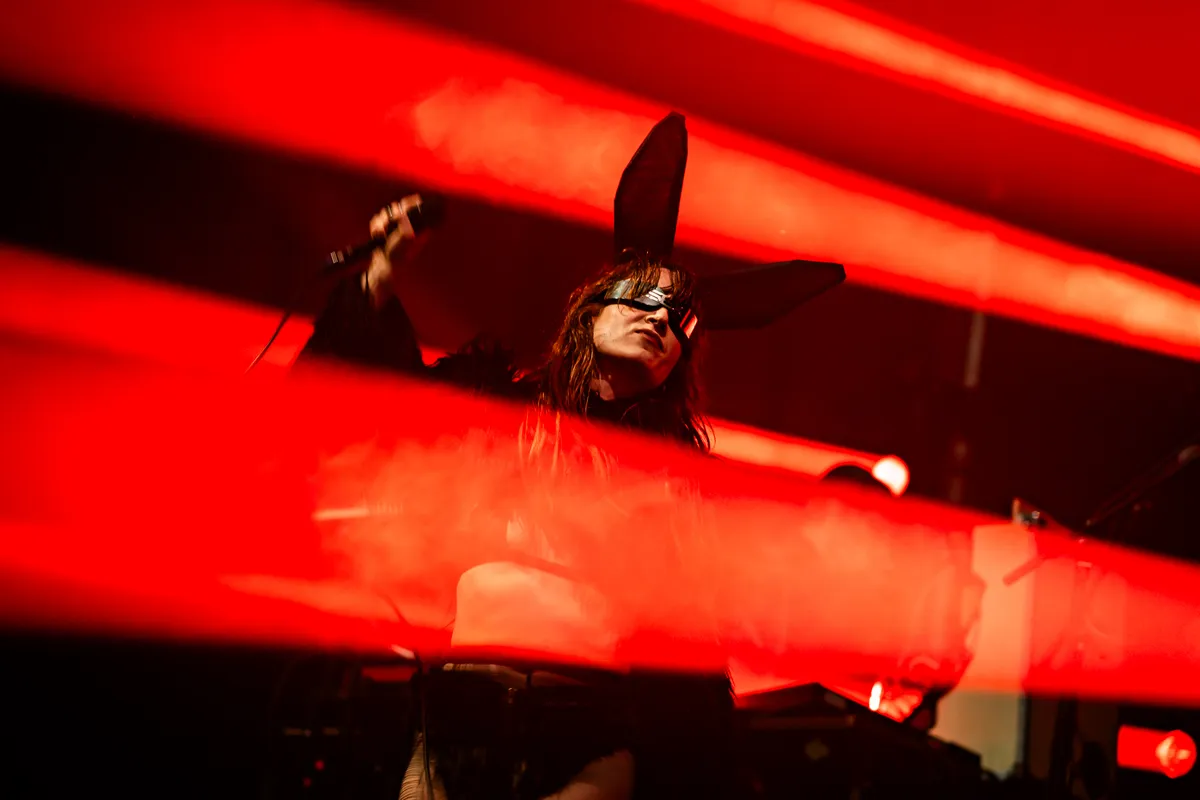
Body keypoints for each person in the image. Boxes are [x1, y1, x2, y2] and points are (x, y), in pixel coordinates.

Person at [299, 114, 844, 800]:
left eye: (681, 320)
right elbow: (371, 402)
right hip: (460, 724)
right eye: (646, 298)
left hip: (589, 737)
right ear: (591, 311)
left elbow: (695, 652)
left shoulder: (676, 483)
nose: (661, 318)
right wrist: (382, 272)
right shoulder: (493, 409)